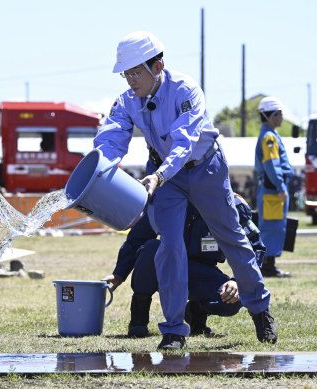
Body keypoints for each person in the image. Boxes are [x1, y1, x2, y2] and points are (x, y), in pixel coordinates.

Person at [94, 30, 276, 350]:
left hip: (205, 168)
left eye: (136, 72)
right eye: (126, 74)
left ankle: (260, 309)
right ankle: (175, 330)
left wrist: (159, 176)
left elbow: (184, 143)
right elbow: (111, 141)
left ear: (158, 66)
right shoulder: (126, 101)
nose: (130, 81)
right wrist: (97, 170)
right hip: (166, 177)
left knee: (232, 237)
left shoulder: (186, 90)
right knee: (169, 247)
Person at [102, 193, 265, 338]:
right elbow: (137, 239)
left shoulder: (232, 204)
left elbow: (255, 247)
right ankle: (139, 317)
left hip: (202, 273)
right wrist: (120, 272)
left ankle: (197, 311)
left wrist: (238, 280)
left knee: (232, 301)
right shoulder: (167, 200)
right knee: (152, 248)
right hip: (168, 267)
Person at [255, 96, 294, 277]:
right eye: (279, 114)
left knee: (274, 227)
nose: (281, 117)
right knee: (272, 228)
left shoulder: (270, 135)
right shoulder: (269, 137)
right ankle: (268, 267)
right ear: (270, 115)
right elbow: (272, 164)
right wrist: (280, 187)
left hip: (272, 189)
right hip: (273, 190)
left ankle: (270, 265)